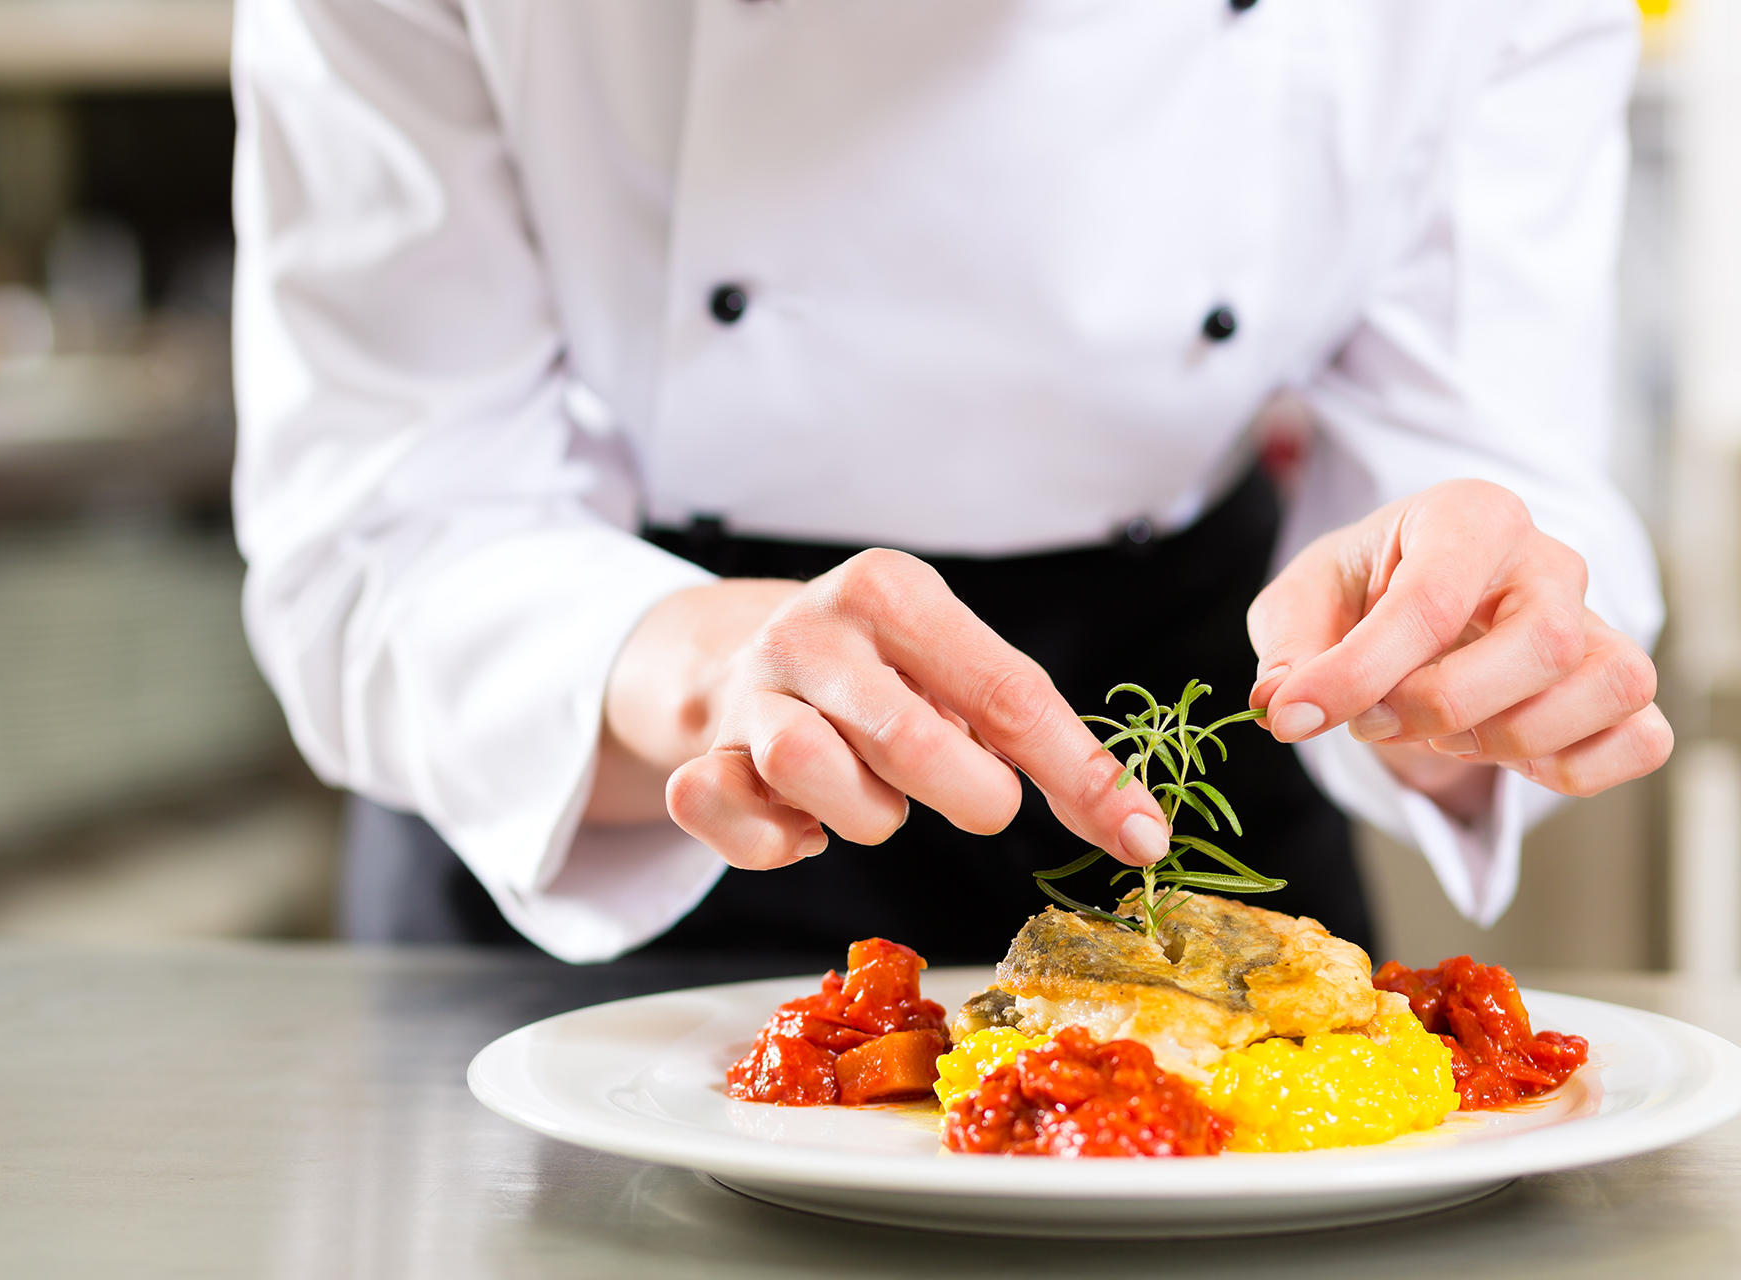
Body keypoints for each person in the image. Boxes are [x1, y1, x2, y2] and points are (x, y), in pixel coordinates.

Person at [231, 0, 1671, 964]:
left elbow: (1473, 438)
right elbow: (382, 519)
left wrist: (1452, 656)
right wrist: (693, 672)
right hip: (621, 760)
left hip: (1186, 746)